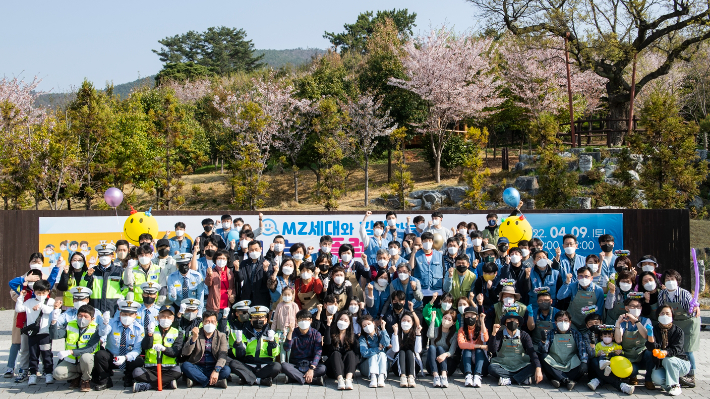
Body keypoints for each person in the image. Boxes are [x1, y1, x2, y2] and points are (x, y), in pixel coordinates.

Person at [657, 269, 699, 388]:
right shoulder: (662, 294)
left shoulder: (684, 293)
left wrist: (696, 307)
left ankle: (691, 374)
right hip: (673, 325)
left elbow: (692, 307)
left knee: (687, 349)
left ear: (677, 281)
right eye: (667, 279)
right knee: (676, 348)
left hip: (687, 323)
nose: (670, 281)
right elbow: (661, 309)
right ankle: (678, 372)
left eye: (672, 279)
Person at [92, 299, 144, 390]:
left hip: (128, 358)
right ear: (120, 313)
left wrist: (126, 357)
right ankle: (105, 381)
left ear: (135, 315)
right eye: (124, 314)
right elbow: (103, 333)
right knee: (100, 355)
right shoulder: (112, 323)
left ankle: (129, 377)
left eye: (130, 315)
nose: (127, 317)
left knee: (138, 360)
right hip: (112, 356)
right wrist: (104, 324)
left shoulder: (139, 329)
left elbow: (137, 349)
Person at [132, 304, 183, 392]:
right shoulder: (151, 329)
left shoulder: (178, 333)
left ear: (173, 319)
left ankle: (147, 385)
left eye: (168, 317)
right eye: (163, 316)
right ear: (158, 317)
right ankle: (167, 384)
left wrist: (164, 349)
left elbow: (176, 352)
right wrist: (149, 335)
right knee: (137, 372)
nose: (165, 319)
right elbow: (144, 347)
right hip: (151, 368)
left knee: (178, 370)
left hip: (169, 368)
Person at [51, 303, 99, 392]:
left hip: (87, 363)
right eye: (80, 316)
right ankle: (77, 377)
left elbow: (90, 348)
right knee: (57, 374)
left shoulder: (95, 328)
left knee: (86, 357)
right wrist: (54, 321)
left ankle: (85, 380)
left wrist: (70, 352)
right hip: (72, 362)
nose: (82, 318)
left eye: (86, 316)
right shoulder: (70, 325)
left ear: (92, 319)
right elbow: (55, 336)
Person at [229, 305, 282, 386]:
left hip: (265, 365)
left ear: (266, 319)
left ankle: (248, 378)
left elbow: (274, 354)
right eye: (255, 318)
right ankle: (260, 380)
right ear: (251, 320)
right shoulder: (244, 333)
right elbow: (239, 355)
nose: (258, 320)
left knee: (277, 366)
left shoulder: (272, 334)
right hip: (249, 365)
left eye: (261, 317)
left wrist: (271, 341)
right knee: (234, 363)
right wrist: (238, 343)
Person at [15, 279, 55, 386]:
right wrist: (21, 297)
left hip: (45, 333)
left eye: (43, 293)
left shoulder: (50, 301)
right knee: (33, 354)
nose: (41, 295)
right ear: (34, 292)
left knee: (46, 354)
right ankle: (33, 374)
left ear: (48, 292)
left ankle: (48, 373)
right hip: (32, 333)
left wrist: (41, 305)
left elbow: (50, 311)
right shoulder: (29, 302)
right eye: (38, 292)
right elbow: (19, 309)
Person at [646, 305, 692, 396]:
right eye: (662, 313)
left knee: (668, 359)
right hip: (662, 365)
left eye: (667, 314)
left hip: (680, 363)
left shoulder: (678, 331)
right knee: (656, 378)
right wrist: (650, 335)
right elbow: (651, 348)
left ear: (672, 316)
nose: (665, 316)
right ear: (658, 315)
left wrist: (665, 352)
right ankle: (669, 385)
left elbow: (677, 349)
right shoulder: (655, 329)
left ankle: (675, 385)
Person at [488, 311, 543, 386]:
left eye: (514, 320)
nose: (512, 322)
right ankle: (522, 378)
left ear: (518, 323)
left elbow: (531, 352)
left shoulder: (524, 335)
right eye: (509, 320)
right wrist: (493, 334)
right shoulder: (500, 334)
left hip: (520, 364)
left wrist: (538, 368)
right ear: (505, 323)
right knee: (491, 368)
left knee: (534, 367)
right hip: (503, 364)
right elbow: (492, 350)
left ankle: (509, 380)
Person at [539, 310, 589, 390]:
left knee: (584, 359)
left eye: (565, 320)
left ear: (570, 322)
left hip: (571, 364)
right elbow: (543, 350)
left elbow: (582, 348)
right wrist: (543, 341)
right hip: (555, 364)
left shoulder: (576, 334)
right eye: (560, 320)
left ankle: (559, 380)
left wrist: (583, 361)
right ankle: (567, 380)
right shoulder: (550, 333)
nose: (563, 322)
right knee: (543, 357)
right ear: (555, 323)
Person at [181, 310, 230, 388]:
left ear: (216, 323)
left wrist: (216, 370)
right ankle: (212, 382)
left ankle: (197, 381)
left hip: (213, 366)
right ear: (203, 322)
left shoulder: (221, 336)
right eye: (207, 321)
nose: (210, 324)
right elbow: (185, 352)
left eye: (213, 322)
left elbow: (223, 354)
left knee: (226, 370)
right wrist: (193, 338)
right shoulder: (196, 333)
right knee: (185, 366)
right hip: (198, 366)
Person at [614, 296, 653, 386]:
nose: (636, 309)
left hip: (642, 352)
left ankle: (648, 379)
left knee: (650, 353)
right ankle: (633, 376)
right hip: (628, 355)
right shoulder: (623, 321)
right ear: (626, 308)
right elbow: (618, 340)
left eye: (638, 306)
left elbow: (645, 335)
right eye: (632, 306)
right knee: (632, 370)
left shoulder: (646, 320)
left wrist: (636, 321)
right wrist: (618, 324)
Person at [282, 310, 326, 385]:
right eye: (301, 319)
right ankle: (311, 380)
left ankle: (295, 379)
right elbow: (287, 348)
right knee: (284, 366)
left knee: (323, 368)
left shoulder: (316, 334)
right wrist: (290, 332)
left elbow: (318, 353)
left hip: (310, 364)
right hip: (296, 365)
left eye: (306, 319)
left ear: (311, 320)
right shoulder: (293, 332)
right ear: (297, 321)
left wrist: (311, 369)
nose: (303, 322)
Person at [557, 266, 605, 332]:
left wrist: (594, 326)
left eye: (586, 276)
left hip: (589, 324)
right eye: (581, 276)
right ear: (577, 277)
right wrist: (567, 283)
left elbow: (599, 311)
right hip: (573, 322)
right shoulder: (572, 286)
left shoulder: (598, 290)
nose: (583, 278)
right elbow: (560, 296)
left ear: (591, 278)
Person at [80, 243, 125, 314]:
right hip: (95, 308)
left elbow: (126, 288)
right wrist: (88, 276)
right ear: (98, 256)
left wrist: (121, 301)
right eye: (101, 255)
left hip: (113, 308)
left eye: (106, 254)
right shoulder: (91, 271)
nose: (104, 257)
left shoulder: (120, 271)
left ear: (112, 256)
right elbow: (83, 288)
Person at [587, 325, 632, 393]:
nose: (607, 338)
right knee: (598, 361)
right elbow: (594, 353)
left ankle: (597, 381)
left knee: (605, 372)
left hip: (612, 363)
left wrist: (619, 352)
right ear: (601, 337)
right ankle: (622, 386)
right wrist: (598, 353)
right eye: (605, 336)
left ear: (613, 337)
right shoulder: (599, 345)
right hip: (600, 360)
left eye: (609, 336)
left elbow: (621, 351)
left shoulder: (614, 345)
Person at [324, 312, 358, 390]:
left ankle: (348, 380)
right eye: (341, 319)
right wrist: (328, 325)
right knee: (335, 353)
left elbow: (357, 354)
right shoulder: (332, 333)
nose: (343, 322)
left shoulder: (352, 336)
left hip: (347, 369)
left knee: (351, 353)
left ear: (349, 323)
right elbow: (327, 342)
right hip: (333, 369)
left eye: (346, 320)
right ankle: (340, 380)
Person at [235, 240, 273, 307]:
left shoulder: (267, 263)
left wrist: (266, 270)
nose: (254, 252)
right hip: (247, 298)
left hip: (261, 298)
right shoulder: (244, 263)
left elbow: (268, 281)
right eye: (251, 250)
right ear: (248, 251)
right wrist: (237, 269)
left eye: (256, 249)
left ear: (261, 249)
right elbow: (239, 279)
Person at [389, 312, 422, 388]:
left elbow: (418, 350)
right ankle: (403, 376)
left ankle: (411, 377)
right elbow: (395, 349)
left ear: (413, 323)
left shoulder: (415, 333)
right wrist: (395, 333)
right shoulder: (397, 333)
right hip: (398, 368)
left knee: (410, 352)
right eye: (403, 320)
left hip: (413, 367)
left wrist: (418, 334)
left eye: (408, 321)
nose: (405, 322)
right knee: (402, 351)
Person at [409, 232, 444, 304]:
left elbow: (443, 272)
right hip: (422, 291)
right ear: (422, 242)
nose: (427, 242)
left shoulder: (439, 255)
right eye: (425, 240)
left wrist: (443, 291)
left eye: (429, 240)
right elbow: (411, 267)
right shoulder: (417, 254)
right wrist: (413, 253)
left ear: (432, 242)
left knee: (435, 313)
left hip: (436, 291)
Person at [204, 249, 235, 330]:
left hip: (226, 306)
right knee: (213, 329)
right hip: (214, 306)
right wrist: (209, 275)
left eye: (224, 258)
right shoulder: (211, 271)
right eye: (219, 258)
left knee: (224, 329)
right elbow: (208, 284)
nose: (222, 260)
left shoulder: (229, 272)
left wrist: (233, 295)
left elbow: (232, 287)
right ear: (215, 259)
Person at [458, 306, 489, 387]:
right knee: (467, 350)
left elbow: (485, 338)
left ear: (477, 317)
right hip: (467, 363)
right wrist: (479, 346)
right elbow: (461, 344)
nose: (470, 318)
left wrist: (482, 322)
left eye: (472, 316)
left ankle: (477, 376)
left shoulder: (480, 328)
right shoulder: (462, 330)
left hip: (482, 365)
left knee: (479, 351)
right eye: (467, 316)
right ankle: (468, 375)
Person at [427, 309, 458, 388]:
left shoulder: (454, 335)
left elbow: (452, 351)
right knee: (431, 347)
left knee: (440, 348)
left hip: (447, 365)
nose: (446, 320)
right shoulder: (436, 330)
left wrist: (444, 355)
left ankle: (444, 376)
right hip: (433, 363)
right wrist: (433, 319)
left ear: (453, 323)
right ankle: (436, 376)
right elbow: (430, 335)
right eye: (445, 318)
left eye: (449, 319)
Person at [359, 314, 390, 388]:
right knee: (373, 355)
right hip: (367, 367)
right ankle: (373, 377)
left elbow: (386, 343)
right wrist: (377, 349)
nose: (367, 326)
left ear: (373, 323)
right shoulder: (363, 338)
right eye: (364, 326)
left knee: (382, 354)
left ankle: (381, 377)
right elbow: (364, 353)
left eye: (368, 324)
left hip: (382, 366)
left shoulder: (380, 333)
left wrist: (383, 329)